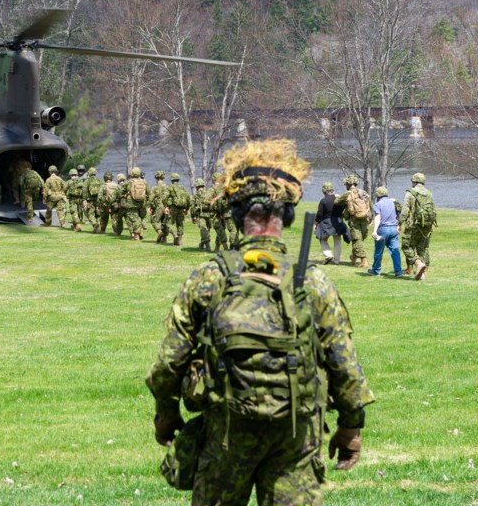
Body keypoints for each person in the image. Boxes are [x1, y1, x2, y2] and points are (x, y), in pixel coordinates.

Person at [145, 139, 374, 506]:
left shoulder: (209, 278)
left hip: (225, 432)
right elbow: (344, 362)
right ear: (287, 215)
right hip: (296, 436)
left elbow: (169, 362)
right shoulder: (313, 282)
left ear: (236, 215)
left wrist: (166, 414)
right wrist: (351, 426)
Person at [400, 172, 437, 280]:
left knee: (406, 246)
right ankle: (423, 274)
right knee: (423, 247)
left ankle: (418, 263)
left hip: (413, 225)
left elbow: (405, 210)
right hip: (426, 225)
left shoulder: (410, 193)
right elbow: (433, 209)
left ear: (414, 181)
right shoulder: (429, 193)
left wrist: (399, 222)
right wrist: (432, 223)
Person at [335, 174, 371, 269]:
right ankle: (354, 257)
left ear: (348, 184)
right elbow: (370, 204)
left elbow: (337, 202)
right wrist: (371, 218)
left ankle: (364, 260)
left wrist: (337, 197)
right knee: (360, 239)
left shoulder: (348, 194)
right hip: (365, 219)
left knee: (356, 239)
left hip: (354, 220)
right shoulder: (363, 192)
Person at [368, 186, 402, 277]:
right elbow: (398, 215)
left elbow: (378, 217)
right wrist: (398, 226)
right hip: (394, 229)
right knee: (395, 251)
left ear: (378, 195)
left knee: (379, 251)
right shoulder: (393, 202)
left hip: (383, 229)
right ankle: (398, 272)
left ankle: (376, 271)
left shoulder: (378, 204)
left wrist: (374, 231)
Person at [315, 182, 349, 265]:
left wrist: (315, 223)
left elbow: (320, 214)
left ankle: (328, 255)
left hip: (327, 223)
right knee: (337, 240)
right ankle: (337, 261)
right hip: (338, 222)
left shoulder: (323, 201)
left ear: (324, 191)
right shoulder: (339, 199)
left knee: (322, 239)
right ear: (332, 190)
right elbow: (345, 207)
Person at [119, 166, 149, 240]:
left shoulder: (128, 182)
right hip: (142, 202)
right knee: (141, 217)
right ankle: (140, 231)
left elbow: (121, 192)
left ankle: (136, 235)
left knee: (134, 218)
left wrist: (124, 195)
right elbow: (148, 192)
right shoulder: (144, 181)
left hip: (131, 203)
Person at [166, 173, 191, 247]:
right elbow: (188, 198)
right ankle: (179, 241)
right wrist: (187, 208)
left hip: (173, 208)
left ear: (171, 180)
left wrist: (166, 207)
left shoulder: (170, 188)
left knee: (169, 223)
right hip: (181, 208)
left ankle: (175, 235)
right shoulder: (183, 188)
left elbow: (164, 197)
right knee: (180, 224)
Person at [149, 170, 172, 243]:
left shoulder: (154, 188)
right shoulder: (167, 187)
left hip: (158, 207)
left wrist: (150, 207)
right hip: (166, 207)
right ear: (163, 178)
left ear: (156, 178)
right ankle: (164, 239)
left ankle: (159, 232)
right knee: (164, 222)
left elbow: (150, 199)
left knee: (154, 221)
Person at [190, 178, 213, 252]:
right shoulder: (208, 193)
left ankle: (208, 247)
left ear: (196, 186)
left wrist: (193, 216)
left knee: (204, 230)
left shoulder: (196, 195)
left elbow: (193, 207)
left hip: (200, 215)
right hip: (209, 215)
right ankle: (202, 244)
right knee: (206, 230)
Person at [84, 167, 104, 233]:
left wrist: (85, 199)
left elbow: (84, 190)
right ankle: (98, 229)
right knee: (98, 214)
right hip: (98, 199)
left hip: (91, 200)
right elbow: (103, 189)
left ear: (89, 173)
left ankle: (95, 224)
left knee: (90, 213)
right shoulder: (99, 180)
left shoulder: (87, 180)